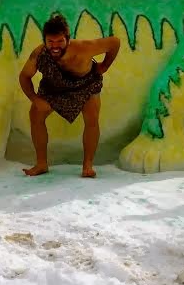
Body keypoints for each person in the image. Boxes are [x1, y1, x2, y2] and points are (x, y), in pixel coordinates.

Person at [18, 13, 120, 178]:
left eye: (60, 41)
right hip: (54, 87)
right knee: (35, 114)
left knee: (92, 119)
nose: (55, 46)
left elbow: (114, 42)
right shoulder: (39, 54)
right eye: (50, 41)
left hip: (86, 84)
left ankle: (87, 165)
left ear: (67, 39)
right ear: (44, 41)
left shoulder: (85, 47)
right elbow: (24, 76)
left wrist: (104, 66)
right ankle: (41, 164)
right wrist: (35, 99)